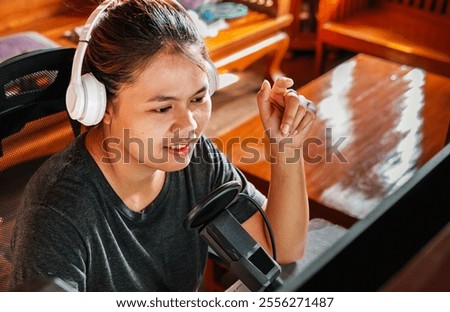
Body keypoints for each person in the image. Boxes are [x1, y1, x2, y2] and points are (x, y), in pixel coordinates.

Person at [10, 0, 315, 291]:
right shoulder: (57, 215)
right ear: (100, 106)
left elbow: (281, 250)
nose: (189, 126)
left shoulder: (198, 159)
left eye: (197, 98)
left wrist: (286, 148)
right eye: (162, 108)